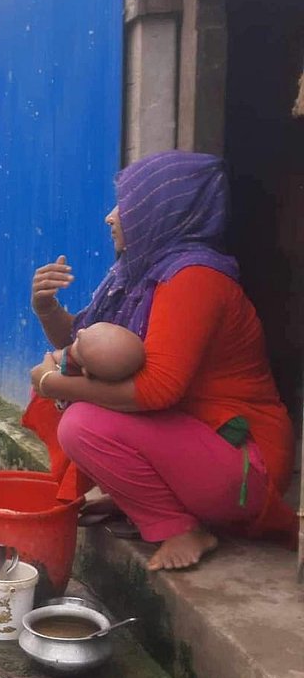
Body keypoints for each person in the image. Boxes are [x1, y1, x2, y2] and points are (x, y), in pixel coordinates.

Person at [24, 150, 296, 571]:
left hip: (245, 460)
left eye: (126, 205)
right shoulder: (136, 274)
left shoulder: (194, 278)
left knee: (82, 422)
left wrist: (51, 385)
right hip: (196, 442)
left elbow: (156, 389)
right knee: (82, 402)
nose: (110, 217)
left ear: (162, 211)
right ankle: (156, 505)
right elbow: (85, 346)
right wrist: (46, 310)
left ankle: (180, 527)